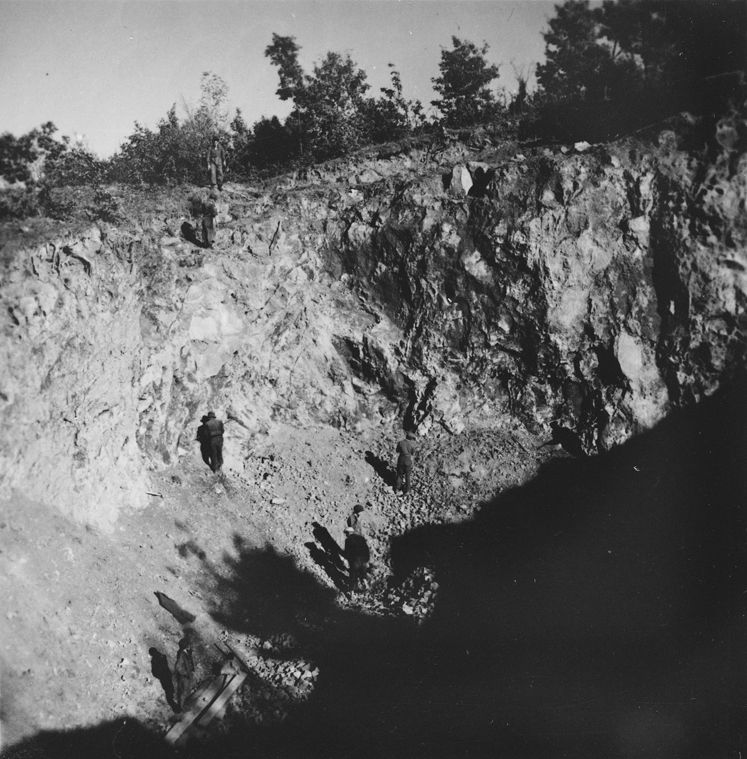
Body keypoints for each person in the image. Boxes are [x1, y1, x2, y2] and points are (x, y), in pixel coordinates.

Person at [174, 637, 195, 712]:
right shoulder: (181, 654)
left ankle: (183, 705)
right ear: (186, 646)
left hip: (187, 675)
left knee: (187, 690)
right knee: (183, 692)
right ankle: (181, 708)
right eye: (188, 644)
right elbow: (178, 667)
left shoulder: (186, 652)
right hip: (184, 676)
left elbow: (189, 661)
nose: (190, 645)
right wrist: (185, 673)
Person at [395, 429, 417, 495]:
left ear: (406, 436)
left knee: (399, 474)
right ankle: (407, 490)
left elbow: (397, 450)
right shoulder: (412, 445)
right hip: (408, 460)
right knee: (407, 476)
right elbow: (413, 453)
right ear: (411, 438)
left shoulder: (400, 442)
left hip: (401, 459)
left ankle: (397, 489)